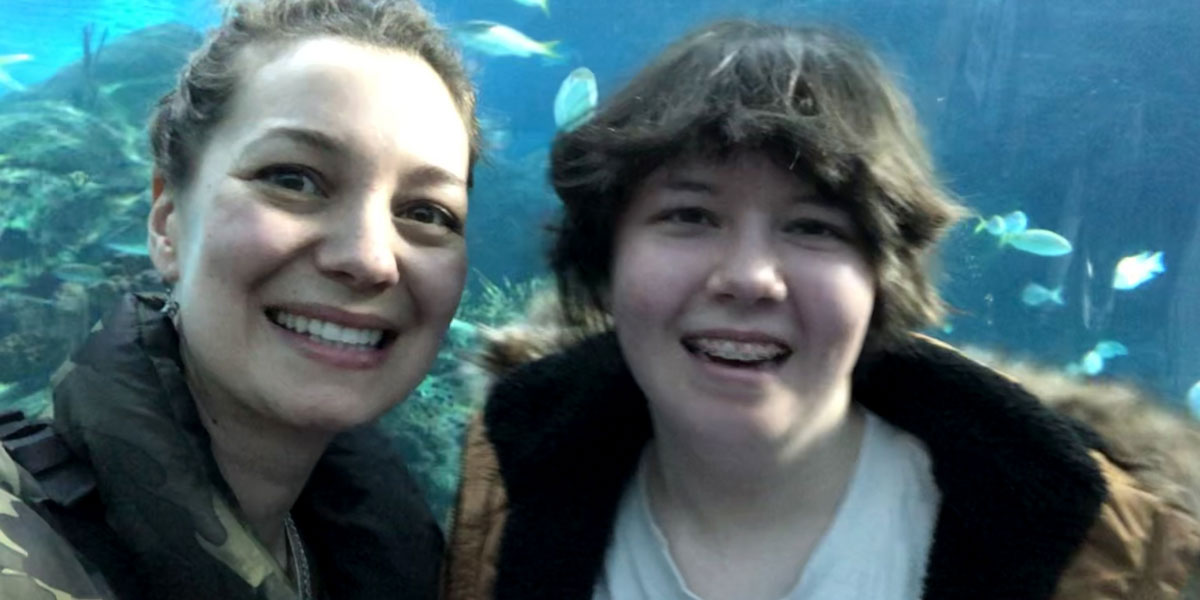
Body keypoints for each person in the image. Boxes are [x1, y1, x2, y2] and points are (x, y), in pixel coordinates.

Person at [442, 19, 1200, 600]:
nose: (750, 278)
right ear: (604, 254)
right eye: (690, 216)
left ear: (884, 274)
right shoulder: (507, 484)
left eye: (814, 227)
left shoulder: (1109, 551)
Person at [0, 0, 478, 598]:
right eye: (293, 179)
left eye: (426, 212)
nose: (369, 258)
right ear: (167, 222)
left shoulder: (387, 553)